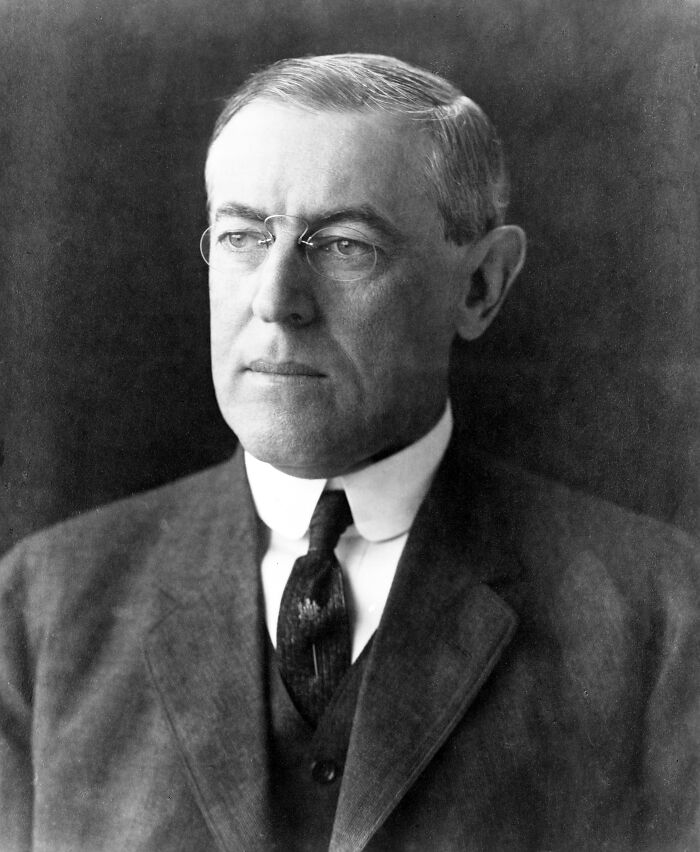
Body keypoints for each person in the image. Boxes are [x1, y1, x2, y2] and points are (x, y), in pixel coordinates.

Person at [0, 53, 698, 852]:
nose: (274, 299)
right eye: (240, 236)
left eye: (343, 246)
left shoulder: (662, 616)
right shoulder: (40, 610)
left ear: (481, 286)